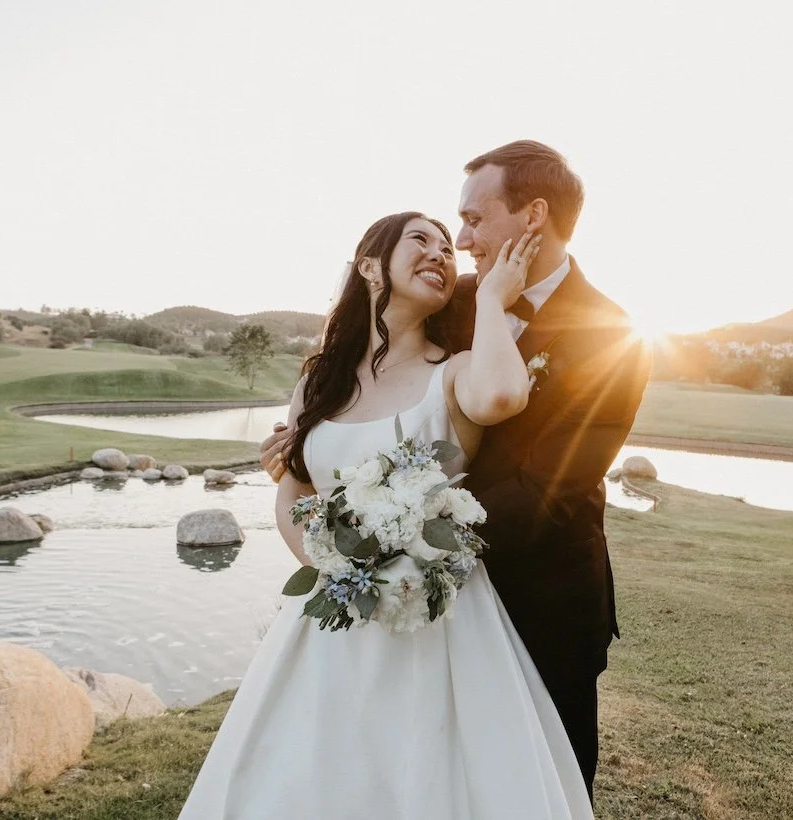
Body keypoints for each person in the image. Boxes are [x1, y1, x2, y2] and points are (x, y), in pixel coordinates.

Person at [262, 141, 652, 793]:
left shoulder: (614, 336)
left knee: (539, 781)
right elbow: (383, 378)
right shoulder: (452, 297)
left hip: (540, 594)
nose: (461, 241)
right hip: (406, 596)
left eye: (472, 220)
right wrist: (314, 451)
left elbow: (550, 486)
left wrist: (404, 541)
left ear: (532, 215)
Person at [179, 212, 594, 819]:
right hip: (332, 611)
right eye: (420, 239)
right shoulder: (319, 378)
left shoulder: (454, 371)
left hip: (438, 617)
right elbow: (293, 490)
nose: (441, 253)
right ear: (370, 266)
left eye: (448, 247)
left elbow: (503, 395)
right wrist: (337, 569)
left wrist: (493, 299)